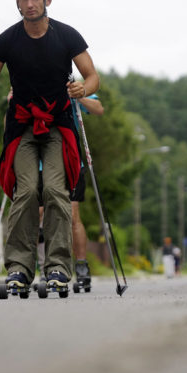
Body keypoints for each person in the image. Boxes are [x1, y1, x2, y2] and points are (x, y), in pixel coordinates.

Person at [0, 0, 100, 291]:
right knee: (26, 191)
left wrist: (82, 90)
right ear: (16, 2)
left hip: (58, 124)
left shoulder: (67, 36)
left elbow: (91, 76)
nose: (30, 3)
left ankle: (57, 267)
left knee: (56, 192)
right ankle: (18, 268)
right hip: (22, 126)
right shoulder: (7, 40)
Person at [70, 94, 104, 288]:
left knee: (73, 215)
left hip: (72, 162)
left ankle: (81, 264)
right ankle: (43, 266)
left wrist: (78, 96)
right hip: (40, 163)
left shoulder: (71, 86)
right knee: (39, 214)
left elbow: (98, 108)